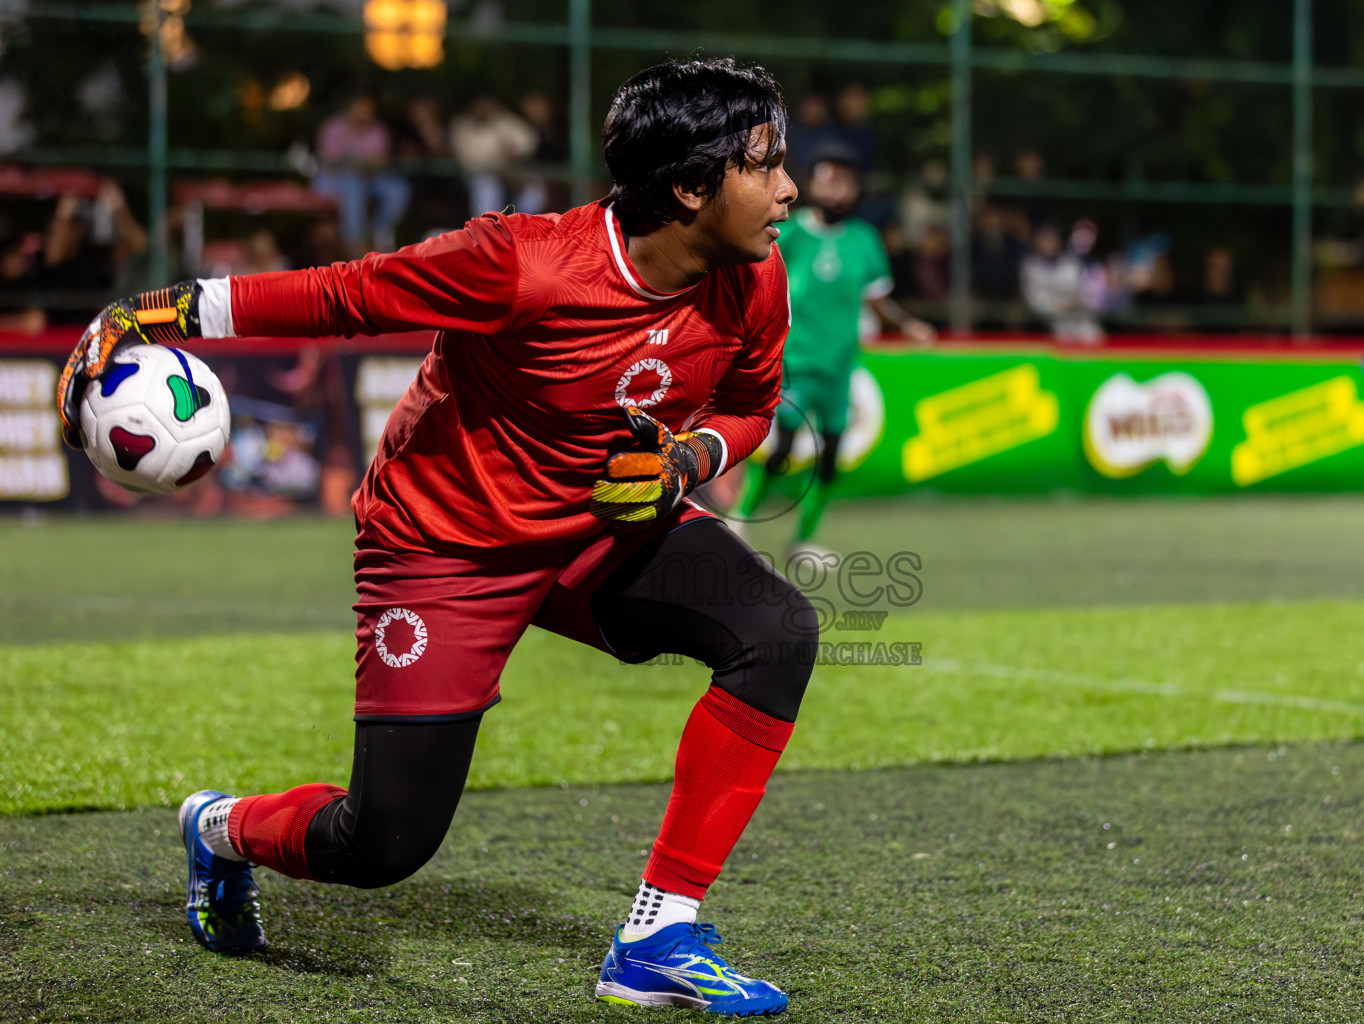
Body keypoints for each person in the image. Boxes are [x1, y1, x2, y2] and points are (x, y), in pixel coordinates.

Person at [55, 57, 815, 1016]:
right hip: (442, 549)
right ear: (691, 187)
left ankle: (659, 935)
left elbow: (750, 406)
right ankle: (219, 829)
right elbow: (347, 295)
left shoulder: (756, 273)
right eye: (767, 163)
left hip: (591, 527)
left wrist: (683, 465)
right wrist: (165, 307)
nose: (789, 185)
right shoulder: (524, 262)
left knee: (776, 632)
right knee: (382, 845)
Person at [734, 144, 933, 555]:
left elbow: (875, 299)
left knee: (830, 458)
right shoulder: (785, 234)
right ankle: (740, 518)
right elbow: (751, 288)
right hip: (793, 363)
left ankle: (804, 539)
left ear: (855, 188)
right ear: (813, 183)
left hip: (841, 368)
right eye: (827, 178)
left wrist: (908, 324)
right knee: (784, 450)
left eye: (843, 180)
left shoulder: (864, 241)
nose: (835, 187)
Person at [312, 93, 411, 256]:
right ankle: (355, 240)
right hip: (335, 180)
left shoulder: (378, 129)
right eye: (360, 107)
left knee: (397, 189)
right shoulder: (333, 127)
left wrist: (367, 164)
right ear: (350, 107)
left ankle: (380, 231)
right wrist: (355, 161)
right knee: (353, 184)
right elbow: (329, 160)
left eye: (368, 109)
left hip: (369, 178)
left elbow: (381, 161)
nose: (364, 112)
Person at [449, 94, 539, 218]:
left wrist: (514, 158)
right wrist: (499, 167)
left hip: (510, 172)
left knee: (533, 188)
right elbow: (468, 160)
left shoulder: (505, 121)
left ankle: (524, 228)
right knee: (487, 187)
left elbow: (528, 143)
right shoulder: (462, 126)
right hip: (476, 175)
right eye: (480, 104)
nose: (484, 108)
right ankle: (485, 229)